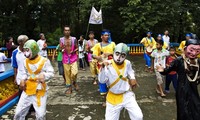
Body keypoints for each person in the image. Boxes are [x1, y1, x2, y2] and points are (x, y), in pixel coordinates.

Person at [157, 36, 200, 120]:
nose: (194, 53)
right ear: (185, 49)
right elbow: (168, 70)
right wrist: (162, 70)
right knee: (183, 111)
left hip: (193, 89)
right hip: (182, 90)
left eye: (197, 51)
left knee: (196, 108)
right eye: (191, 50)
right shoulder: (179, 60)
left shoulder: (198, 62)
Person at [99, 43, 143, 120]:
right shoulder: (107, 64)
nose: (119, 58)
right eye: (117, 54)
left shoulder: (127, 63)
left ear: (125, 56)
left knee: (138, 117)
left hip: (126, 94)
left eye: (122, 56)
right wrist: (102, 68)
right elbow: (102, 81)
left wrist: (132, 78)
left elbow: (130, 71)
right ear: (113, 53)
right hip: (113, 96)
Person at [14, 40, 54, 120]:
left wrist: (44, 75)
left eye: (27, 50)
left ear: (34, 49)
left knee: (40, 115)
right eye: (25, 50)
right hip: (28, 89)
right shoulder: (25, 61)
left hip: (39, 90)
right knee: (18, 113)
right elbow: (25, 73)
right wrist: (22, 79)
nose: (25, 53)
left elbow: (51, 73)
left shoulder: (44, 61)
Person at [92, 29, 116, 96]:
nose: (107, 36)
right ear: (101, 36)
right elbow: (93, 55)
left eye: (108, 35)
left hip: (111, 64)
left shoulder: (112, 44)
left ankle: (111, 96)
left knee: (111, 80)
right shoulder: (98, 45)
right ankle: (105, 97)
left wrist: (109, 54)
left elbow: (116, 53)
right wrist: (98, 57)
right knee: (102, 80)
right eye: (105, 35)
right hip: (101, 65)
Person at [60, 25, 79, 94]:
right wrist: (61, 49)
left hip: (73, 58)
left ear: (70, 31)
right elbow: (60, 49)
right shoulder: (61, 39)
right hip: (65, 59)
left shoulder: (74, 39)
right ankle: (70, 89)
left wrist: (74, 51)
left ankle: (74, 82)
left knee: (74, 72)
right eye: (66, 30)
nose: (67, 32)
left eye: (68, 30)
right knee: (67, 75)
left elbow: (77, 48)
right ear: (64, 31)